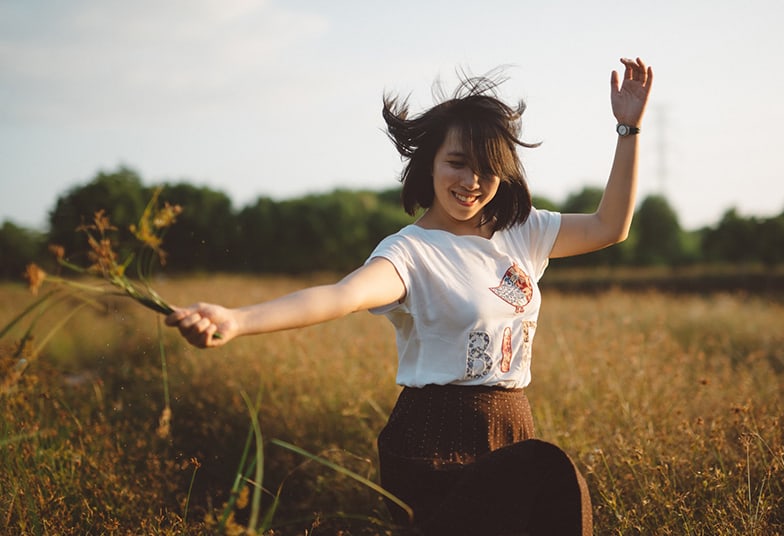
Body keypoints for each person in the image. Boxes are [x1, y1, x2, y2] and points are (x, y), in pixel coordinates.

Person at [166, 57, 653, 535]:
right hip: (434, 439)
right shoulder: (411, 251)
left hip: (511, 427)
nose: (471, 182)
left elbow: (610, 226)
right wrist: (237, 319)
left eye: (487, 169)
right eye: (457, 163)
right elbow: (340, 296)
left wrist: (627, 131)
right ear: (431, 162)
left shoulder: (522, 231)